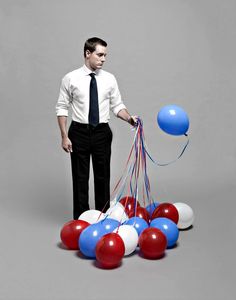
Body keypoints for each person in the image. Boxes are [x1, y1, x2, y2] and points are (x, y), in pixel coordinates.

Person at [56, 37, 137, 220]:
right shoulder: (70, 78)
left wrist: (130, 119)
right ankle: (82, 221)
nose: (103, 59)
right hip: (78, 133)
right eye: (100, 55)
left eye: (105, 55)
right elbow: (62, 107)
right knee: (80, 179)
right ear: (87, 53)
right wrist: (64, 136)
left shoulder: (109, 79)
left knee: (103, 178)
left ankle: (103, 219)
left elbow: (117, 106)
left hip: (101, 132)